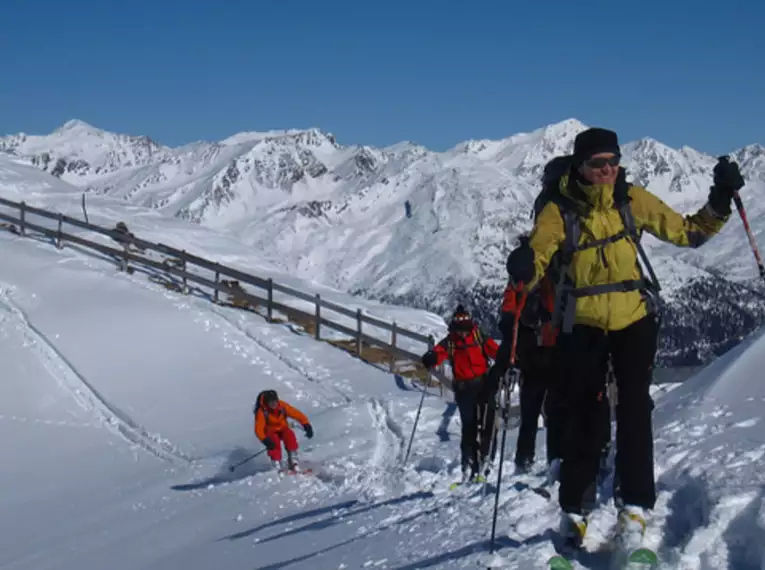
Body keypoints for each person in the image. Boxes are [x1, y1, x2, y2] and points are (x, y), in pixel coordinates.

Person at [504, 127, 744, 547]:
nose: (608, 170)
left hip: (635, 317)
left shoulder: (631, 199)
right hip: (583, 322)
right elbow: (540, 255)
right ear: (580, 166)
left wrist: (720, 198)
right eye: (598, 163)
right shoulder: (558, 211)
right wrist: (525, 268)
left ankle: (635, 503)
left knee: (635, 410)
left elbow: (688, 232)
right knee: (584, 413)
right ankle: (575, 506)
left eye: (613, 161)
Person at [420, 305, 499, 482]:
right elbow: (438, 353)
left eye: (465, 330)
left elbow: (494, 350)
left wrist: (507, 359)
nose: (463, 334)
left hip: (484, 384)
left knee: (488, 423)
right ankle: (469, 462)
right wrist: (431, 357)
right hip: (464, 388)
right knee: (469, 426)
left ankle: (487, 459)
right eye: (459, 330)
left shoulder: (479, 336)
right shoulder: (450, 342)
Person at [253, 390, 314, 471]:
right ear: (267, 403)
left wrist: (306, 425)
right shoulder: (262, 412)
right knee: (274, 441)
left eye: (275, 401)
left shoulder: (282, 406)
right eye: (271, 402)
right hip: (270, 431)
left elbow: (296, 413)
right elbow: (259, 429)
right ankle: (276, 463)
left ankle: (293, 459)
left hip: (282, 428)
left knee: (289, 435)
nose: (274, 404)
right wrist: (265, 440)